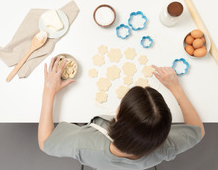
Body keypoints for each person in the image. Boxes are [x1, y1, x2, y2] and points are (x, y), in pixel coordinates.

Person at [38, 56, 205, 170]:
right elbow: (198, 130)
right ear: (163, 133)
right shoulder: (165, 147)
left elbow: (45, 142)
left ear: (117, 116)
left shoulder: (84, 144)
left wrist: (48, 92)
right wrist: (176, 88)